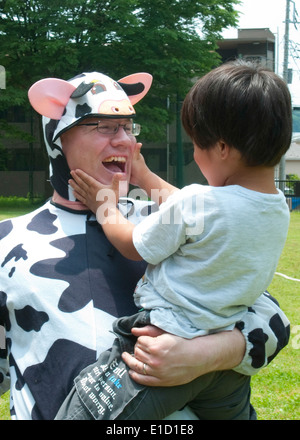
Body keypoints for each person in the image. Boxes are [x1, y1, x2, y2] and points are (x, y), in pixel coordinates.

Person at [0, 68, 290, 420]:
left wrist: (208, 354)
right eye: (105, 126)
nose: (124, 141)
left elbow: (272, 319)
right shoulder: (9, 242)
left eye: (127, 127)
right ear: (58, 139)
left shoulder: (172, 217)